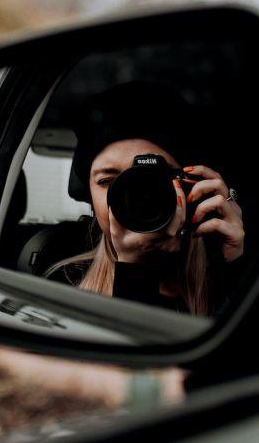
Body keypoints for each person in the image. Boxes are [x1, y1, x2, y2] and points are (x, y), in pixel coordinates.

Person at [45, 81, 245, 317]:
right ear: (89, 196)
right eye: (108, 181)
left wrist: (235, 269)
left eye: (153, 179)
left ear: (193, 185)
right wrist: (132, 267)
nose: (135, 195)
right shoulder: (64, 282)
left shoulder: (222, 270)